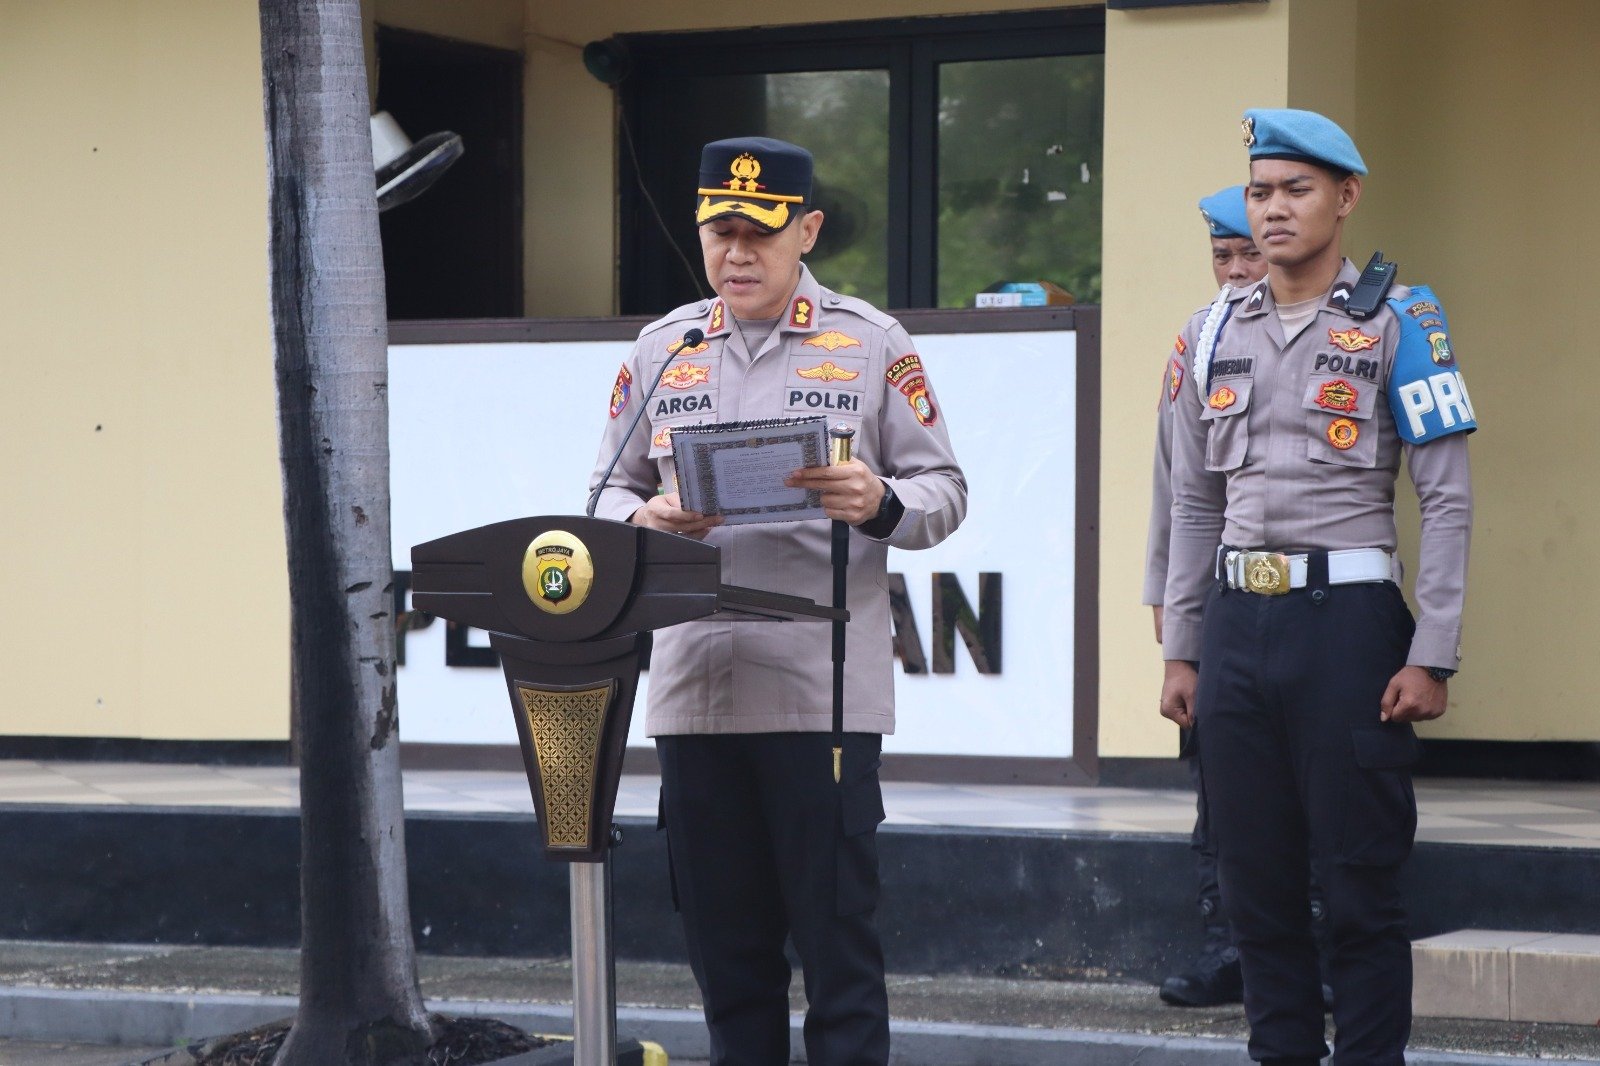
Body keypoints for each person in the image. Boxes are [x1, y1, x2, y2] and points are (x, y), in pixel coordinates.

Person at [588, 136, 967, 1066]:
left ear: (808, 230)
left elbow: (945, 491)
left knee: (838, 950)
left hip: (818, 694)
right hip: (696, 689)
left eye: (759, 232)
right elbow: (600, 496)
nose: (738, 253)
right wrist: (646, 516)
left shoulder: (870, 342)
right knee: (727, 957)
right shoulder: (664, 348)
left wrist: (878, 500)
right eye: (720, 232)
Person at [1159, 109, 1475, 1065]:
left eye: (1296, 190)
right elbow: (1194, 500)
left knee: (1357, 890)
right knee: (1255, 891)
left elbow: (1447, 498)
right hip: (1237, 626)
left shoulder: (1400, 322)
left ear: (1346, 197)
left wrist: (1433, 652)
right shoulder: (1211, 330)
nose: (1274, 209)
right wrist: (1182, 648)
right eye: (1260, 192)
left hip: (1349, 628)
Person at [1144, 184, 1265, 1008]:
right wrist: (1166, 594)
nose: (1237, 270)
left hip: (1301, 597)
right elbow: (1176, 487)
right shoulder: (1200, 341)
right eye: (1223, 256)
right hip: (1216, 598)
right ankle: (1228, 948)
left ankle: (1315, 946)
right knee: (1218, 790)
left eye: (1249, 252)